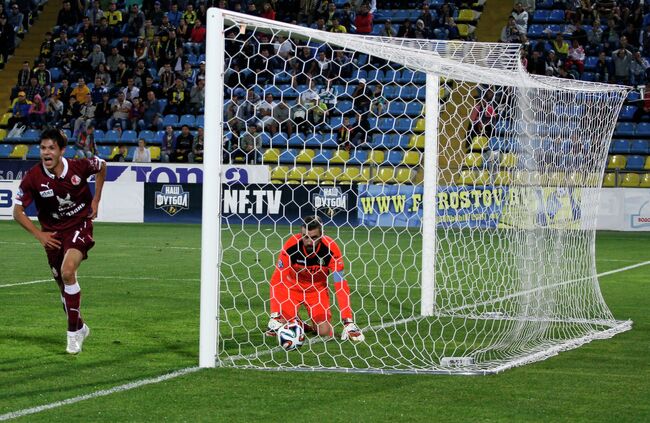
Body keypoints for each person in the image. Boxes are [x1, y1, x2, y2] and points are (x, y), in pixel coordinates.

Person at [13, 129, 106, 354]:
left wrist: (96, 199)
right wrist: (39, 235)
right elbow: (17, 212)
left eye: (51, 148)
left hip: (79, 225)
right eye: (43, 148)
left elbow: (102, 166)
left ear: (61, 150)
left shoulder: (79, 166)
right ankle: (81, 327)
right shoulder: (33, 178)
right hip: (52, 235)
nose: (46, 152)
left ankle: (72, 336)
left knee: (68, 271)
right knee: (64, 289)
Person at [265, 216, 364, 342]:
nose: (309, 241)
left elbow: (341, 284)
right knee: (284, 326)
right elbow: (277, 279)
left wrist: (347, 321)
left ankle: (298, 322)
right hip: (291, 289)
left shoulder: (331, 249)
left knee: (325, 332)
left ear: (322, 235)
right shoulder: (292, 245)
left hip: (316, 292)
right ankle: (294, 321)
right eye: (305, 236)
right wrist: (275, 314)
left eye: (314, 237)